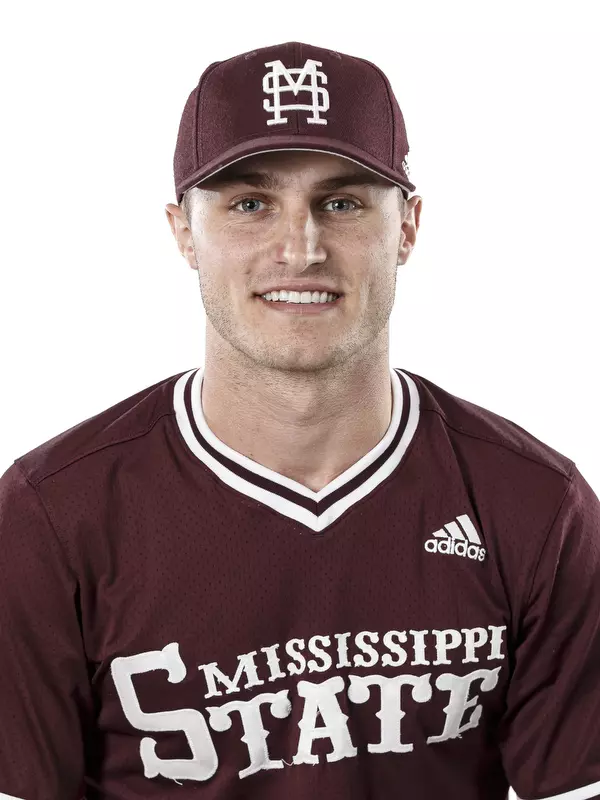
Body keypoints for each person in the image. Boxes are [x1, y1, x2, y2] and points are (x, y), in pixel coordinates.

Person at [0, 40, 598, 800]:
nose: (300, 248)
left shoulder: (536, 505)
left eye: (341, 203)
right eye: (250, 204)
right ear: (183, 232)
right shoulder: (53, 515)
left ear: (408, 227)